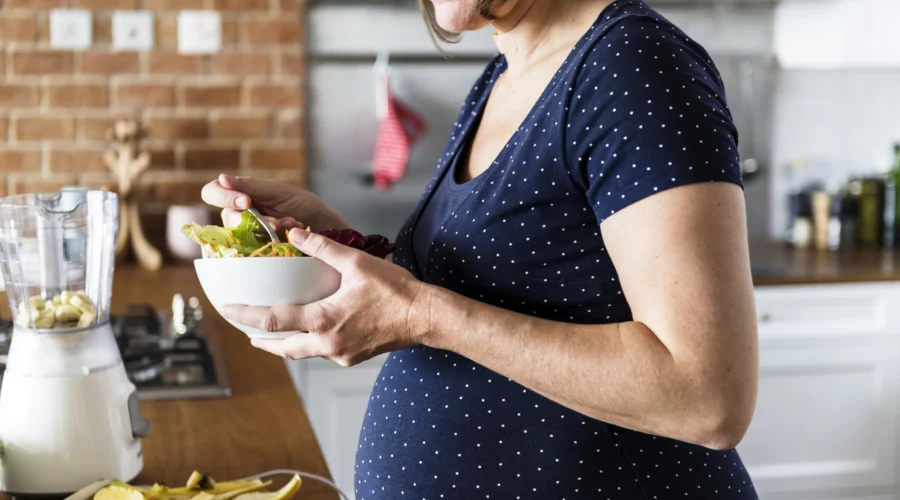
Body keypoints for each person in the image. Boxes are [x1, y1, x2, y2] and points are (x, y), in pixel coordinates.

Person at [201, 0, 759, 497]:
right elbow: (483, 293)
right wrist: (326, 236)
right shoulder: (504, 74)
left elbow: (708, 397)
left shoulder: (634, 65)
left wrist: (422, 316)